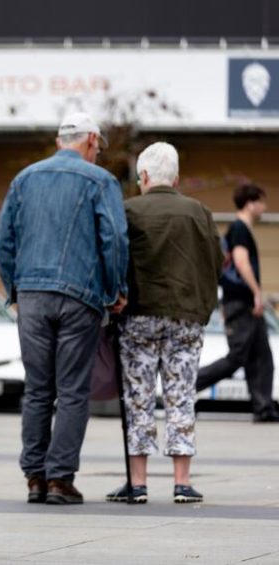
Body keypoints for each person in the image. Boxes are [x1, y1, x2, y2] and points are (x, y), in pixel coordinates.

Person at [0, 111, 128, 505]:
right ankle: (59, 480)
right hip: (79, 297)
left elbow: (3, 242)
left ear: (59, 142)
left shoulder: (25, 179)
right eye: (98, 147)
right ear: (90, 141)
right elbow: (115, 240)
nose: (98, 154)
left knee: (37, 389)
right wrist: (115, 289)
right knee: (72, 390)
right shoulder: (101, 181)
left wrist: (15, 290)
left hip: (32, 295)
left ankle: (34, 477)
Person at [105, 142, 222, 505]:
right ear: (176, 177)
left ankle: (137, 483)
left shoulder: (128, 210)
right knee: (181, 396)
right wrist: (202, 307)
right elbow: (216, 261)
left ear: (143, 176)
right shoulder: (198, 211)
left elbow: (115, 257)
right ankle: (182, 482)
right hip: (186, 318)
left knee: (138, 397)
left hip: (138, 315)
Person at [195, 184, 279, 423]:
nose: (265, 207)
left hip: (241, 302)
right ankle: (188, 385)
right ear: (251, 203)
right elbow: (241, 263)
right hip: (242, 302)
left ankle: (264, 408)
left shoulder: (241, 229)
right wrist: (256, 292)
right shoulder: (240, 229)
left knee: (262, 355)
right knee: (237, 357)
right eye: (262, 202)